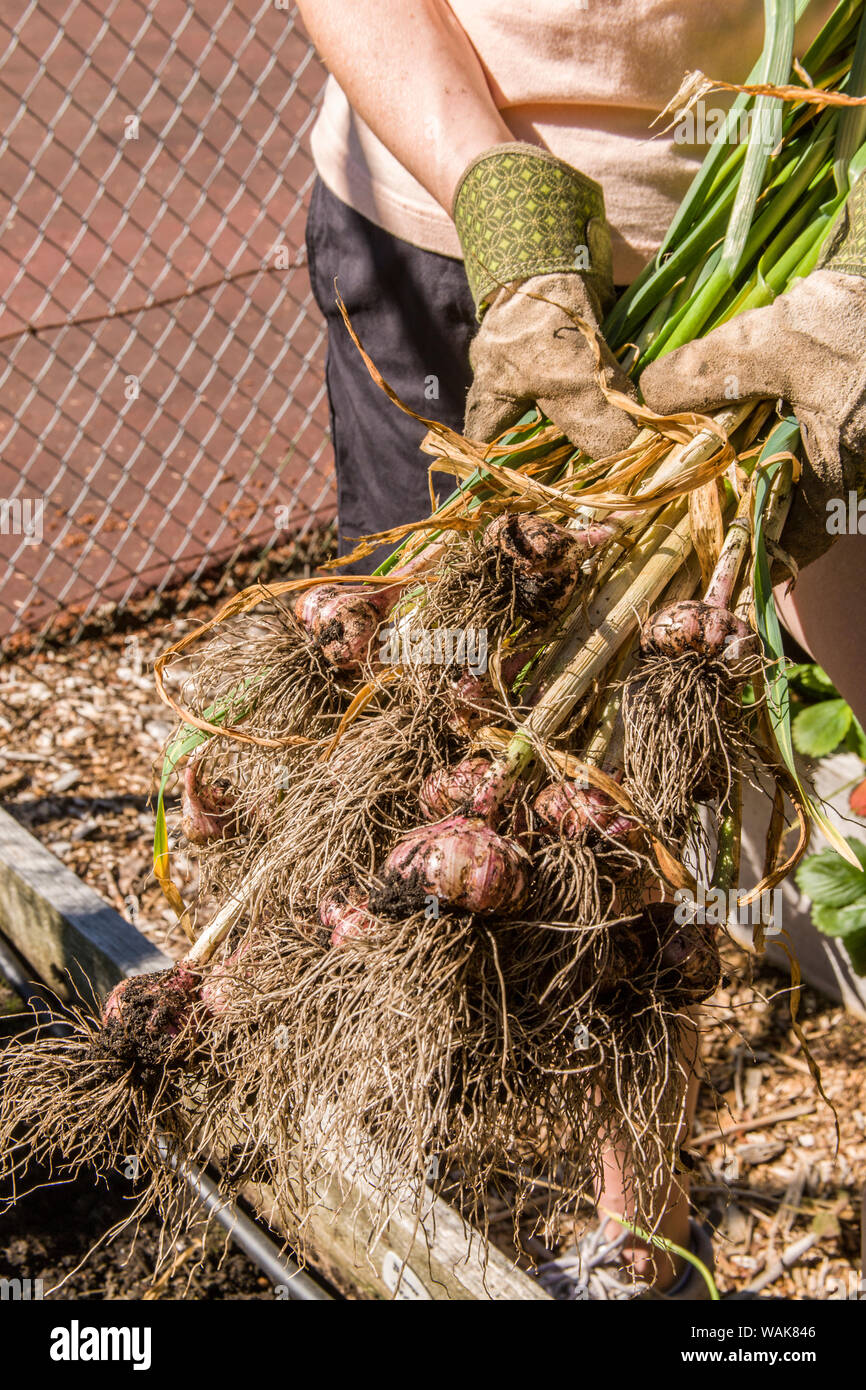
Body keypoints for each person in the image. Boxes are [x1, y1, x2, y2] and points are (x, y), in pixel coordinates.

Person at [298, 0, 864, 1298]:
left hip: (768, 274)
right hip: (425, 216)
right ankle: (411, 1172)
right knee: (422, 715)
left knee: (619, 801)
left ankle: (636, 1234)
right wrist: (492, 189)